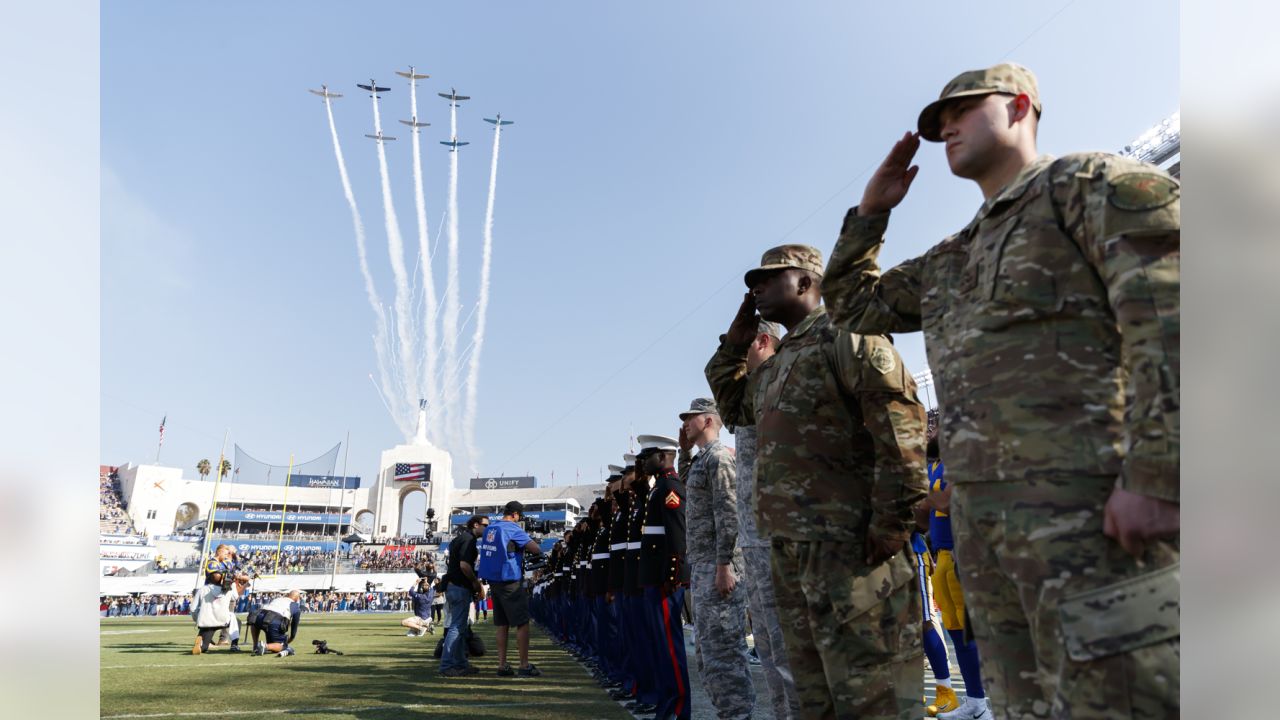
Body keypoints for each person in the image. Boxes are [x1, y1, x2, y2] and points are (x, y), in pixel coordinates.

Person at [821, 62, 1180, 719]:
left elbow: (1175, 321)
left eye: (961, 110)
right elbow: (849, 305)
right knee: (1025, 705)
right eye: (937, 123)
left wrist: (1161, 474)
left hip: (1092, 514)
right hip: (987, 531)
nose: (946, 127)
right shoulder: (953, 255)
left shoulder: (1093, 186)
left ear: (1019, 106)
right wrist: (870, 214)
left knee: (1128, 701)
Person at [706, 245, 929, 719]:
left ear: (807, 282)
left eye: (768, 278)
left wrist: (892, 524)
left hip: (853, 550)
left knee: (875, 698)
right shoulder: (779, 361)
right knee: (817, 699)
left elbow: (901, 429)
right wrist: (733, 346)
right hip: (792, 552)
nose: (755, 288)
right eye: (753, 283)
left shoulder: (847, 335)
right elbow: (734, 410)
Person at [731, 319, 803, 720]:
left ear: (761, 341)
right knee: (772, 654)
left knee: (791, 654)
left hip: (780, 541)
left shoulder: (785, 384)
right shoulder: (752, 394)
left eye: (742, 346)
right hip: (755, 540)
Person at [679, 398, 754, 720]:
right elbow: (688, 484)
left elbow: (729, 513)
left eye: (690, 418)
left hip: (719, 566)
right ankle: (729, 713)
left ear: (709, 420)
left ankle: (738, 714)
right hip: (706, 565)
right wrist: (684, 451)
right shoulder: (702, 459)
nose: (684, 424)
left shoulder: (720, 458)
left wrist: (725, 565)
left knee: (724, 652)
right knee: (708, 653)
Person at [921, 436, 988, 720]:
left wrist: (918, 493)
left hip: (962, 552)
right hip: (942, 555)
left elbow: (947, 502)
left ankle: (985, 702)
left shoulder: (958, 460)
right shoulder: (934, 465)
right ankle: (974, 700)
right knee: (955, 630)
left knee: (972, 631)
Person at [636, 434, 691, 720]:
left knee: (670, 648)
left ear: (662, 456)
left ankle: (679, 709)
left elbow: (677, 535)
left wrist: (674, 575)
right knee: (660, 646)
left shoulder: (670, 486)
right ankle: (666, 705)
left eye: (647, 457)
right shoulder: (658, 488)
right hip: (655, 577)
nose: (643, 463)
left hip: (664, 579)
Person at [477, 500, 546, 677]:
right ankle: (524, 665)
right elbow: (535, 548)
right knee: (522, 623)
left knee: (502, 624)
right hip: (509, 580)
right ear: (515, 514)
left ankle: (502, 665)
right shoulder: (512, 528)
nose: (518, 519)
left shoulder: (491, 528)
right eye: (519, 516)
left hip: (494, 580)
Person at [440, 515, 487, 677]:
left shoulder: (460, 539)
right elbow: (465, 566)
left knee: (460, 628)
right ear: (475, 525)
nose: (487, 529)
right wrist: (476, 584)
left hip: (454, 586)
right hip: (459, 587)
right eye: (485, 525)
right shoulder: (469, 540)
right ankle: (447, 665)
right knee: (457, 628)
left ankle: (460, 663)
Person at [249, 589, 302, 657]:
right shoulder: (296, 606)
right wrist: (291, 638)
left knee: (255, 623)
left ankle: (255, 645)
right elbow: (294, 625)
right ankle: (264, 646)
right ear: (297, 599)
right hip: (274, 620)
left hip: (260, 615)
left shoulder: (278, 598)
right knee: (282, 646)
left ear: (288, 595)